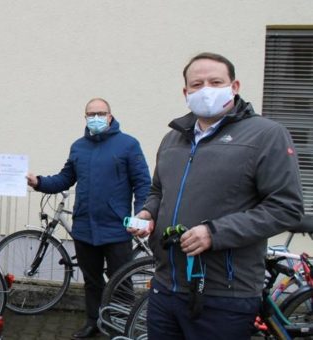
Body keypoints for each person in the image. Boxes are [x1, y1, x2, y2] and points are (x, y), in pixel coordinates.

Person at [129, 52, 304, 339]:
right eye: (197, 84)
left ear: (234, 87)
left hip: (224, 295)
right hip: (165, 287)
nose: (206, 89)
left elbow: (286, 208)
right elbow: (159, 191)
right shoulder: (173, 139)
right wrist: (148, 213)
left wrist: (215, 232)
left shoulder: (266, 134)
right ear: (186, 92)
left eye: (215, 81)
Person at [27, 98, 151, 339]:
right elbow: (65, 178)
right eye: (91, 113)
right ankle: (93, 321)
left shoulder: (129, 145)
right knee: (92, 282)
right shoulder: (78, 147)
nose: (96, 117)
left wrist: (141, 215)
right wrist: (38, 182)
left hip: (117, 229)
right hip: (84, 228)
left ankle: (122, 326)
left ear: (110, 116)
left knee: (121, 284)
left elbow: (143, 183)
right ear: (85, 117)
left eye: (101, 113)